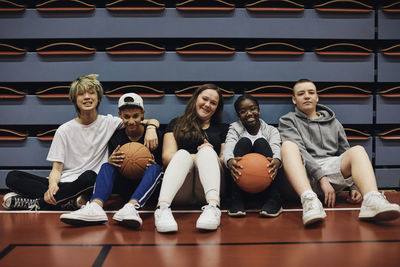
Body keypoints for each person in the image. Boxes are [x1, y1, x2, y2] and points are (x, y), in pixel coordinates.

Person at [2, 74, 158, 211]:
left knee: (90, 176)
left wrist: (151, 128)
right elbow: (57, 168)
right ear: (75, 100)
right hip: (65, 184)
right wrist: (52, 186)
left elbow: (141, 120)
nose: (87, 97)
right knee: (13, 177)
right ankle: (67, 202)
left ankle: (40, 203)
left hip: (89, 184)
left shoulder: (111, 122)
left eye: (91, 93)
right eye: (81, 94)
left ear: (98, 98)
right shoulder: (64, 130)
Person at [278, 78, 400, 226]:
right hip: (302, 176)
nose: (307, 96)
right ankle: (309, 201)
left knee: (357, 150)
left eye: (311, 92)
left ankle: (371, 200)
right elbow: (301, 152)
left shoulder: (334, 123)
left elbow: (345, 151)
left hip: (331, 172)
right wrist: (321, 178)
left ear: (317, 97)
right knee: (288, 146)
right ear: (294, 99)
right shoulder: (287, 120)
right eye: (301, 93)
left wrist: (354, 186)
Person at [59, 93, 162, 229]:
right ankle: (96, 206)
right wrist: (113, 161)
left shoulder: (155, 136)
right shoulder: (116, 138)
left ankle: (132, 207)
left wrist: (152, 128)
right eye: (126, 116)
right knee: (107, 166)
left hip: (150, 189)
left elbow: (163, 166)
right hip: (125, 187)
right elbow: (116, 168)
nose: (131, 121)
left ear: (143, 114)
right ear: (119, 114)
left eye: (135, 116)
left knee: (155, 169)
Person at [154, 83, 229, 233]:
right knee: (181, 154)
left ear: (217, 108)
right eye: (205, 99)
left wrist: (207, 153)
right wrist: (195, 156)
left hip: (209, 189)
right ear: (196, 99)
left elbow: (223, 159)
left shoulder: (223, 128)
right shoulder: (176, 123)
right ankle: (162, 208)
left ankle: (213, 208)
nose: (207, 105)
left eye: (213, 103)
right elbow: (167, 157)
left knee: (207, 152)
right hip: (181, 189)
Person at [223, 94, 282, 217]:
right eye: (243, 111)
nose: (249, 113)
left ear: (258, 110)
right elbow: (229, 147)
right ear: (239, 115)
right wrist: (229, 161)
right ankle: (236, 199)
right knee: (244, 142)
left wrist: (277, 160)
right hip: (241, 184)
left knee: (261, 143)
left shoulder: (271, 130)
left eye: (252, 109)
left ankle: (273, 199)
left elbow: (276, 147)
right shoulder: (234, 128)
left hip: (265, 184)